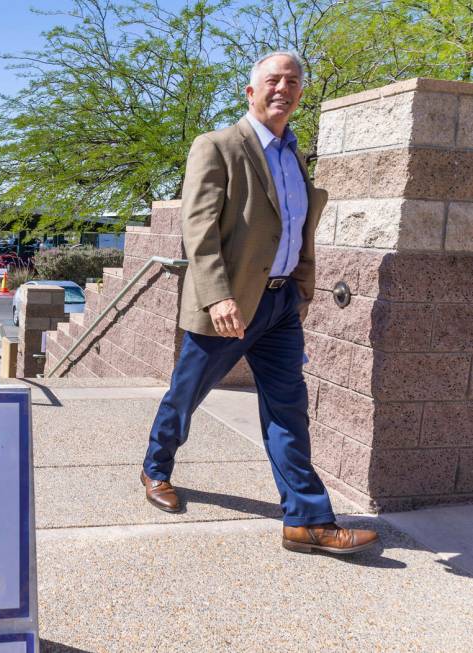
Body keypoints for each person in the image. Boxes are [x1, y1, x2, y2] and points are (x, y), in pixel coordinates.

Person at [140, 51, 379, 555]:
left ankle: (307, 520)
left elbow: (298, 230)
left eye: (293, 81)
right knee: (186, 395)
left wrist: (303, 289)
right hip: (228, 306)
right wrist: (218, 296)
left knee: (289, 411)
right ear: (250, 92)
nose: (283, 88)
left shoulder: (294, 154)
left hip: (281, 305)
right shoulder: (218, 147)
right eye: (273, 80)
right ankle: (156, 468)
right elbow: (198, 230)